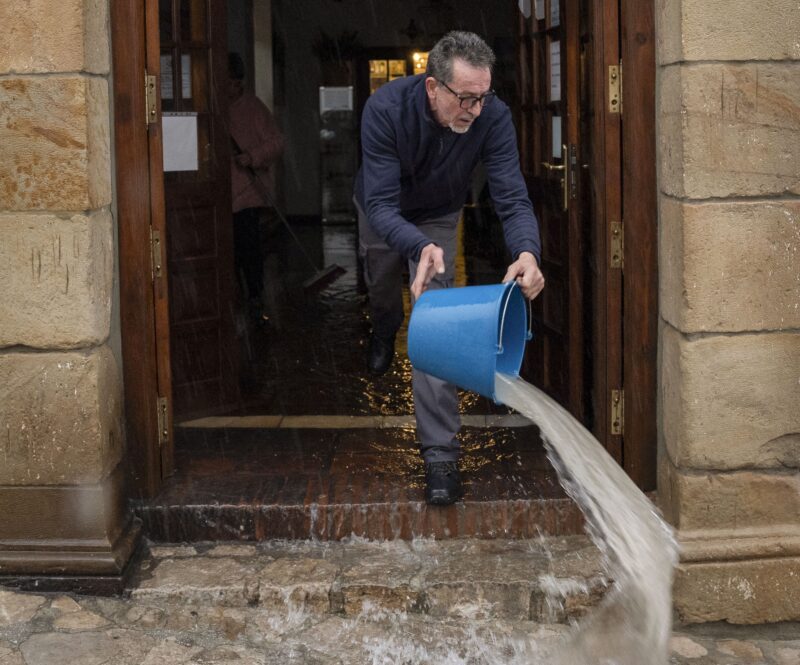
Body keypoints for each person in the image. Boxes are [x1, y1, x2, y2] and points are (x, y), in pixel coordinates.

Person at [354, 31, 545, 505]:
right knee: (381, 288)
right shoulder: (384, 109)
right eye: (465, 99)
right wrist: (413, 245)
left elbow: (511, 195)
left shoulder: (492, 116)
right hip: (384, 211)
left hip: (439, 214)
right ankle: (382, 329)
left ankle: (441, 452)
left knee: (436, 320)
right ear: (432, 86)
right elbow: (379, 202)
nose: (475, 111)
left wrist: (527, 251)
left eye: (483, 98)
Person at [227, 52, 285, 323]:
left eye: (231, 83)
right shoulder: (215, 107)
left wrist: (251, 157)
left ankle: (254, 294)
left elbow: (275, 142)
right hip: (223, 194)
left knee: (248, 249)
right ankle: (234, 296)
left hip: (248, 193)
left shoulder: (253, 108)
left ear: (238, 83)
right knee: (230, 251)